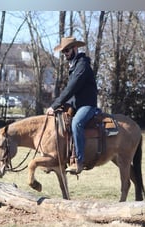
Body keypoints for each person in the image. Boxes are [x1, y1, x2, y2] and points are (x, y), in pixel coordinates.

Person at [46, 36, 99, 175]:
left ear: (75, 48)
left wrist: (55, 104)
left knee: (76, 123)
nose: (65, 54)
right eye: (63, 52)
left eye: (67, 50)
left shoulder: (82, 65)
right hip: (77, 105)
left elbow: (72, 88)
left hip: (87, 105)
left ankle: (79, 161)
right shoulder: (74, 65)